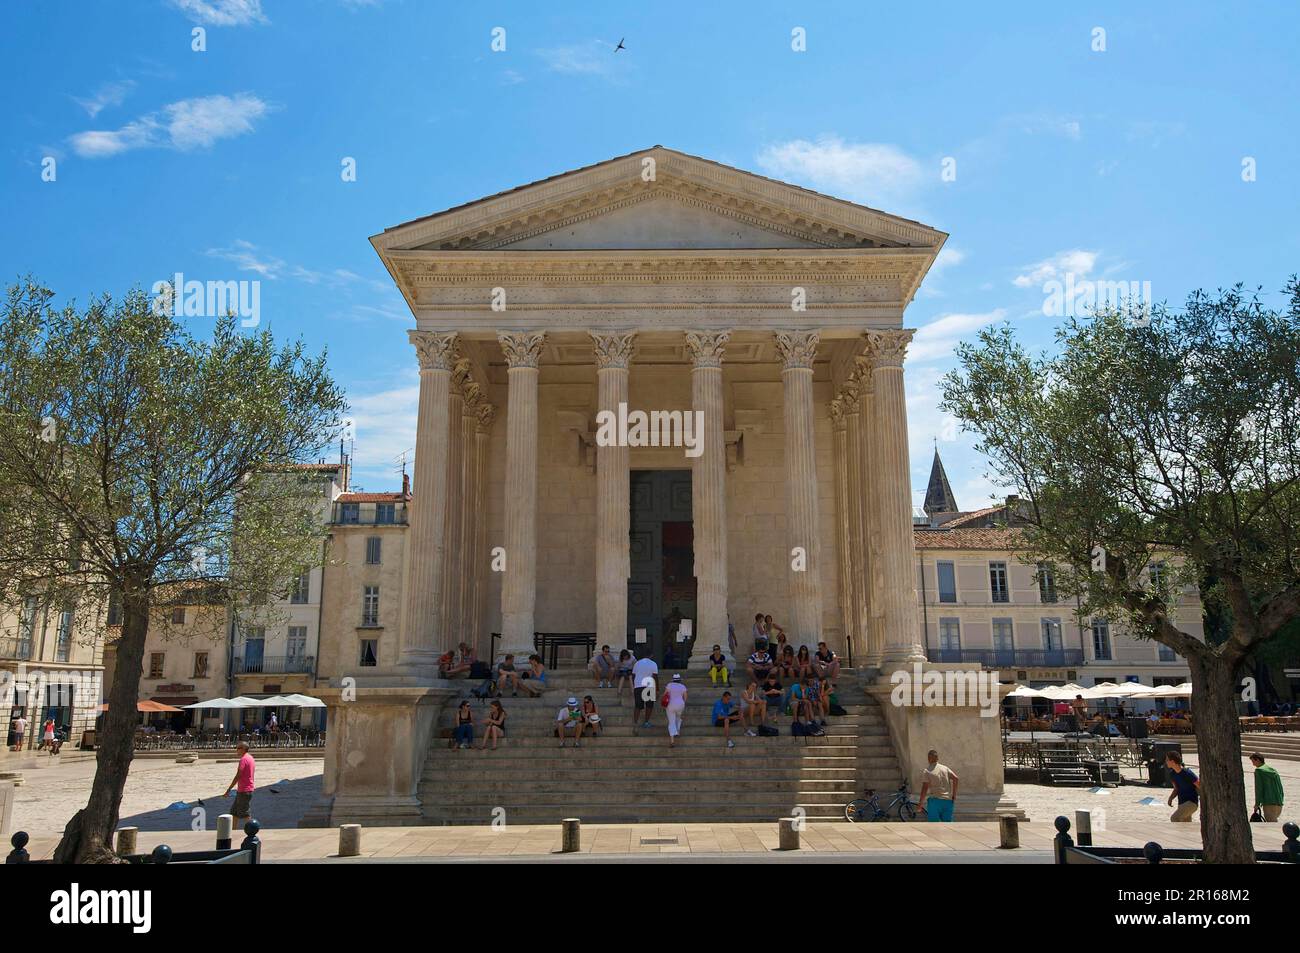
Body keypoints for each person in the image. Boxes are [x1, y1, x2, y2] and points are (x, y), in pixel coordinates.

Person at [918, 749, 958, 822]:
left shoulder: (927, 771)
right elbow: (956, 778)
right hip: (948, 801)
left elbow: (924, 788)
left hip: (935, 801)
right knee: (948, 825)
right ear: (937, 758)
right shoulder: (945, 768)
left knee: (934, 826)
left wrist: (920, 804)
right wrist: (954, 795)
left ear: (928, 759)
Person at [224, 741, 256, 827]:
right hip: (245, 789)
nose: (236, 750)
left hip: (244, 790)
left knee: (245, 814)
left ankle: (252, 832)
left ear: (243, 749)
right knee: (234, 812)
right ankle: (233, 831)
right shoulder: (250, 758)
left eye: (238, 748)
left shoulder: (243, 760)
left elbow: (238, 775)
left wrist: (229, 789)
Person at [1165, 750, 1200, 821]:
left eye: (1167, 759)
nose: (1166, 761)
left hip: (1191, 803)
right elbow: (1176, 789)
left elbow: (1199, 785)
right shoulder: (1172, 774)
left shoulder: (1187, 773)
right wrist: (1171, 798)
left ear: (1172, 761)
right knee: (1185, 826)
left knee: (1175, 818)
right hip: (1181, 803)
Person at [1250, 752, 1284, 822]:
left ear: (1258, 760)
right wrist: (1280, 800)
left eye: (1253, 761)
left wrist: (1257, 804)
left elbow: (1259, 789)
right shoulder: (1273, 770)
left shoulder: (1259, 771)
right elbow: (1280, 787)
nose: (1253, 764)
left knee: (1271, 824)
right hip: (1279, 803)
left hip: (1268, 803)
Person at [632, 652, 659, 730]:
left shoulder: (637, 663)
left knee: (638, 706)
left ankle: (635, 723)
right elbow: (655, 677)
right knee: (649, 705)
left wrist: (635, 684)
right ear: (651, 655)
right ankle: (646, 722)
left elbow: (633, 675)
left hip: (638, 686)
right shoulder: (653, 663)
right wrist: (657, 689)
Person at [664, 673, 689, 747]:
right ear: (680, 680)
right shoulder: (683, 686)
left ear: (673, 680)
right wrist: (683, 703)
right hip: (680, 705)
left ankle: (672, 741)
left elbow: (665, 694)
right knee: (678, 718)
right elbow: (685, 697)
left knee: (671, 722)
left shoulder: (669, 685)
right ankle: (677, 731)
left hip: (670, 705)